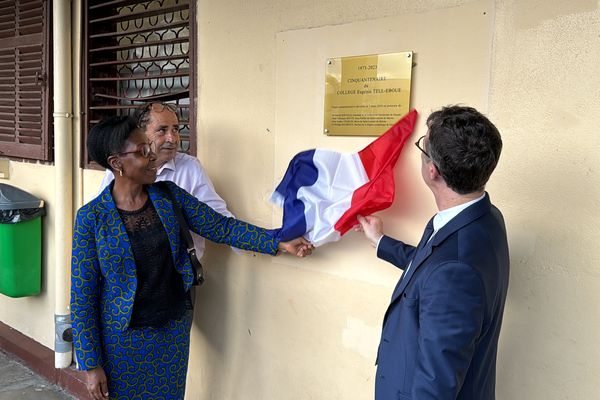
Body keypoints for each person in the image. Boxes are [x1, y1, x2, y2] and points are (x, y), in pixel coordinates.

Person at [72, 116, 313, 400]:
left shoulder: (169, 196)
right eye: (142, 151)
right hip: (123, 340)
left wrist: (277, 241)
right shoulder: (91, 219)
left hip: (172, 330)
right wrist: (90, 364)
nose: (152, 157)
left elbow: (222, 227)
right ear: (116, 163)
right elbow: (82, 296)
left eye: (149, 148)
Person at [356, 105, 509, 400]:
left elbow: (434, 389)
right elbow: (434, 265)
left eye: (422, 145)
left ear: (432, 171)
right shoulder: (484, 218)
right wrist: (381, 241)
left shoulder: (453, 272)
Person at [99, 102, 232, 259]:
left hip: (179, 277)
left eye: (175, 129)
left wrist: (261, 242)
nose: (172, 138)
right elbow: (103, 224)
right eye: (162, 130)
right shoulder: (119, 170)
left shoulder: (189, 169)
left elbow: (220, 222)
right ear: (139, 135)